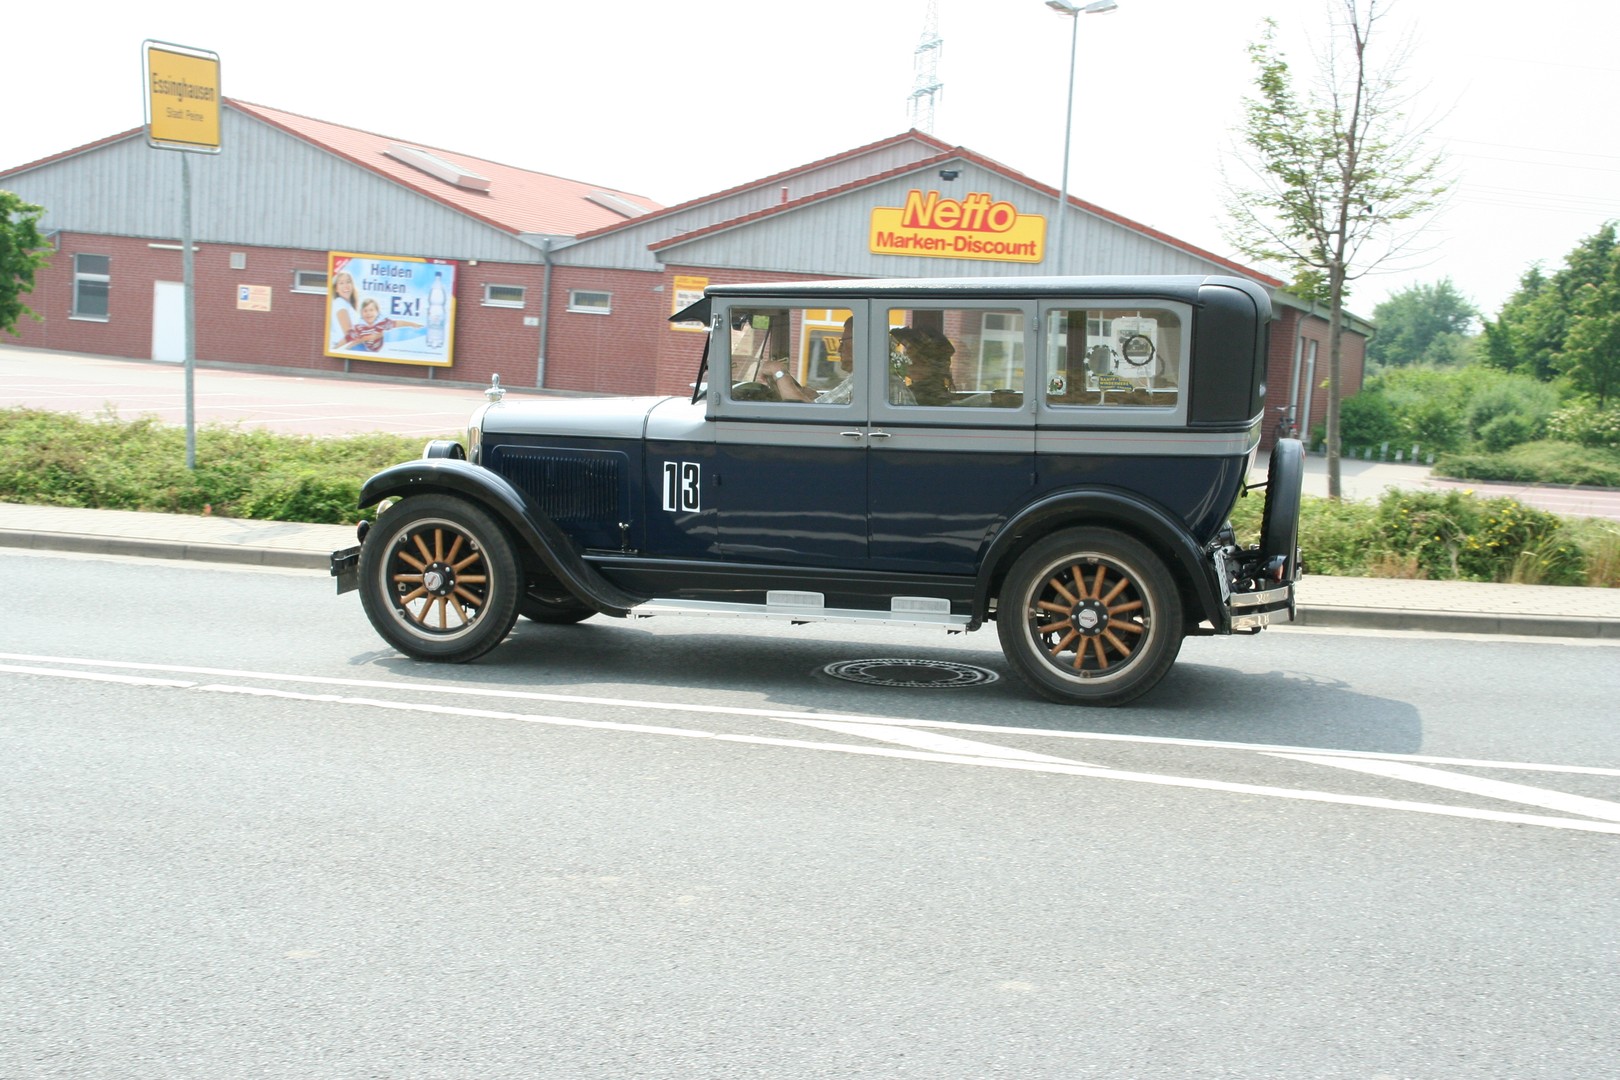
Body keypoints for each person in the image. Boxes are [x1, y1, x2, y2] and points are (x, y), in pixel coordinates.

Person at [756, 317, 857, 403]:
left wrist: (778, 371)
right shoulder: (857, 379)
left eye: (843, 342)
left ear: (860, 341)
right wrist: (815, 397)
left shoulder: (861, 380)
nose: (839, 349)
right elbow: (824, 410)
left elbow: (809, 413)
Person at [346, 298, 421, 352]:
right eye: (365, 311)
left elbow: (399, 323)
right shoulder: (359, 327)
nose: (368, 313)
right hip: (364, 349)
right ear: (361, 313)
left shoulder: (382, 324)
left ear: (377, 312)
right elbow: (350, 339)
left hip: (377, 350)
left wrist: (413, 324)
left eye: (371, 310)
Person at [328, 270, 360, 349]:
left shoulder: (348, 305)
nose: (345, 286)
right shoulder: (340, 303)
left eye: (348, 282)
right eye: (341, 283)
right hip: (345, 349)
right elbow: (349, 335)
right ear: (336, 289)